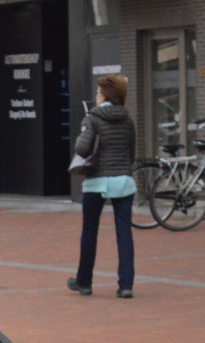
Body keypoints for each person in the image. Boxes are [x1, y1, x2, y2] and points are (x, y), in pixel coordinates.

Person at [68, 74, 136, 298]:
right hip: (123, 181)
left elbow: (82, 148)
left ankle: (84, 282)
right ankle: (126, 285)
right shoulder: (128, 120)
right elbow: (131, 152)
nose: (96, 96)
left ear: (105, 95)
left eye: (98, 93)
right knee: (124, 233)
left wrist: (84, 132)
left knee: (89, 232)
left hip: (96, 182)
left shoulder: (93, 118)